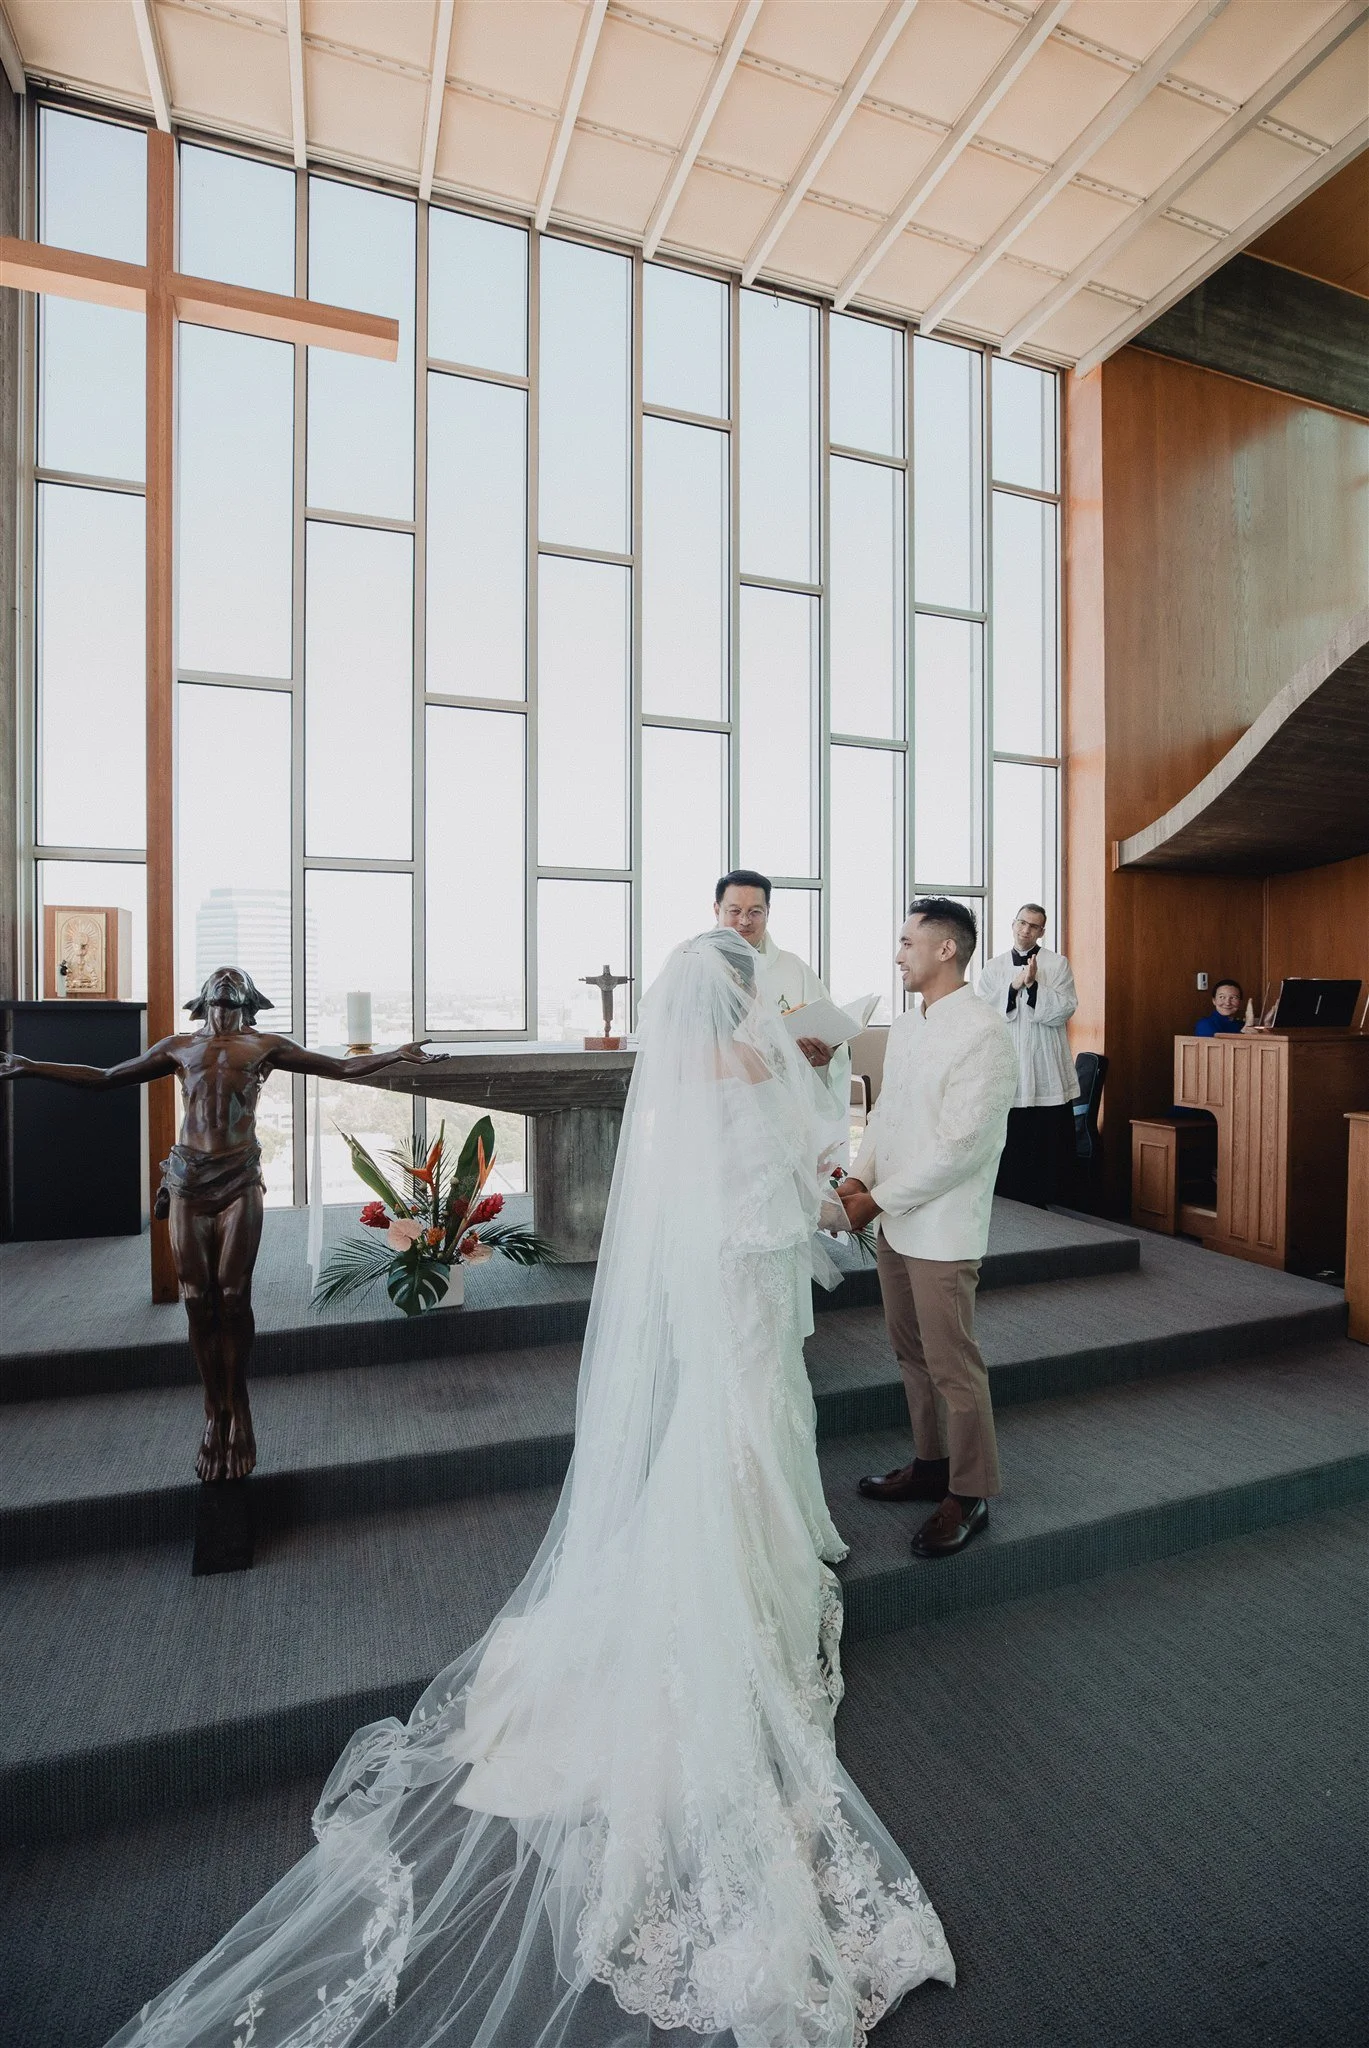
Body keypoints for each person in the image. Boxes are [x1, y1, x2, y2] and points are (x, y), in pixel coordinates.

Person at [106, 928, 955, 2048]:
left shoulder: (694, 1069)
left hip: (717, 1268)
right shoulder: (766, 1063)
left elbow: (714, 1169)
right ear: (742, 1001)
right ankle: (757, 1553)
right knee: (750, 1413)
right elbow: (807, 1140)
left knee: (732, 1412)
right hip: (750, 1263)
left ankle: (752, 1534)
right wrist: (814, 1115)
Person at [0, 965, 430, 1482]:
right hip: (188, 1178)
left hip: (239, 1176)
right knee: (197, 1299)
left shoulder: (266, 1045)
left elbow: (337, 1068)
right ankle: (214, 1411)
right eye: (218, 976)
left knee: (232, 1297)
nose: (226, 978)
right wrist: (30, 1065)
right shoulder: (178, 1046)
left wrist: (394, 1055)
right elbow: (109, 1078)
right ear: (202, 997)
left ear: (250, 996)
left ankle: (239, 1405)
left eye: (236, 976)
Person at [839, 900, 1017, 1561]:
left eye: (907, 941)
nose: (897, 953)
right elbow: (886, 1113)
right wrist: (859, 1179)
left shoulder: (982, 1032)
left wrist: (875, 1199)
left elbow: (961, 1148)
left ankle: (969, 1495)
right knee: (910, 1356)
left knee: (953, 1367)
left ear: (946, 950)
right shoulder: (911, 1024)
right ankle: (930, 1464)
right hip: (891, 1216)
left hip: (940, 1227)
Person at [715, 867, 853, 1134]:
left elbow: (832, 1031)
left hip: (780, 1113)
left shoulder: (794, 968)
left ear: (768, 912)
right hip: (715, 1108)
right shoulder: (691, 962)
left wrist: (827, 1055)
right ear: (716, 910)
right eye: (734, 911)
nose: (744, 921)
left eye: (755, 912)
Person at [975, 902, 1079, 1208]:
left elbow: (1066, 1009)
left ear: (1042, 932)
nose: (1026, 930)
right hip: (1008, 1058)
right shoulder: (994, 967)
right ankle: (1007, 1197)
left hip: (1044, 1058)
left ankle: (1044, 1199)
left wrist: (1033, 987)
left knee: (1043, 1133)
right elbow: (983, 1012)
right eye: (1022, 923)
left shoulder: (1057, 964)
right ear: (1013, 924)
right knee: (1009, 1133)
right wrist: (1013, 986)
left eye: (1033, 926)